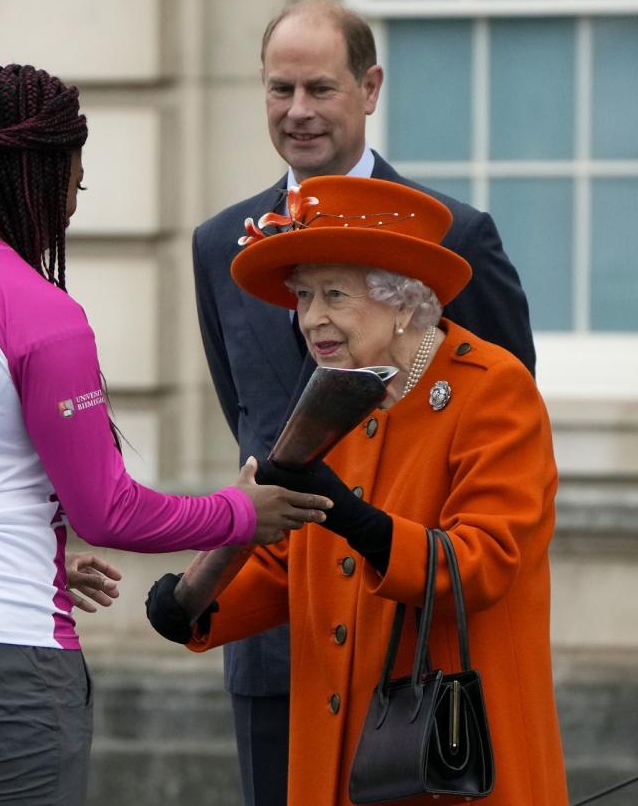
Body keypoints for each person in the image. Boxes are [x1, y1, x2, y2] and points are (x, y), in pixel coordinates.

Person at [0, 62, 332, 806]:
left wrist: (33, 540)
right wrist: (244, 511)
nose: (70, 210)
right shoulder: (38, 310)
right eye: (74, 185)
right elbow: (108, 510)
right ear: (39, 174)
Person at [191, 0, 537, 804]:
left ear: (371, 86)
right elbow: (252, 419)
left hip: (417, 643)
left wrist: (378, 533)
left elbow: (498, 427)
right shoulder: (220, 243)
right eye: (280, 89)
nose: (299, 111)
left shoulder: (453, 236)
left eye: (320, 87)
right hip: (279, 629)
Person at [149, 174, 568, 805]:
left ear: (403, 302)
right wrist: (194, 598)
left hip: (452, 759)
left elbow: (485, 561)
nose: (311, 318)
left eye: (334, 295)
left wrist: (354, 519)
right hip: (339, 758)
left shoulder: (491, 388)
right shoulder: (336, 395)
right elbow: (295, 563)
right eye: (303, 296)